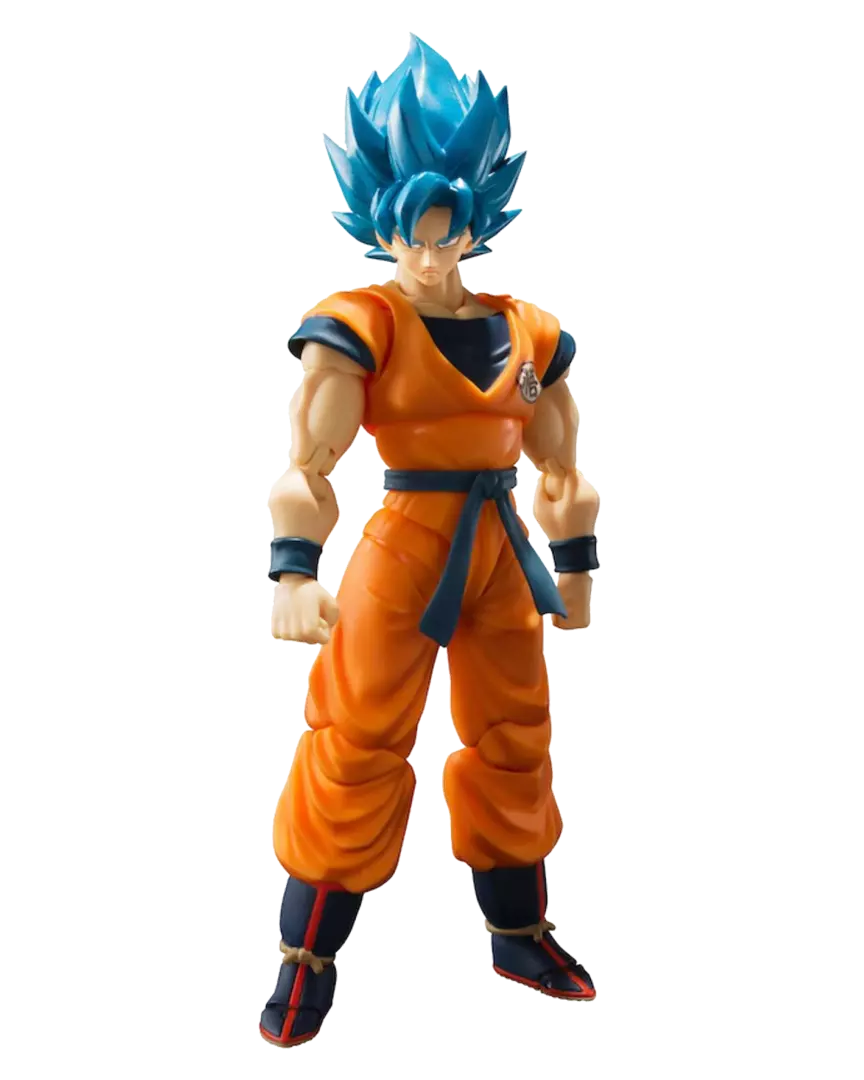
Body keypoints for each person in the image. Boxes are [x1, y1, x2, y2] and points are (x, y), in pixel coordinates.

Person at [261, 33, 601, 1049]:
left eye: (447, 224)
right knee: (358, 737)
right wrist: (292, 576)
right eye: (410, 225)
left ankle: (518, 933)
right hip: (405, 546)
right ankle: (305, 960)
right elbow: (309, 465)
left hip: (501, 547)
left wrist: (576, 571)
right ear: (379, 217)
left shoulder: (530, 335)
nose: (428, 246)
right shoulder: (359, 323)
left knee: (514, 734)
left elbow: (560, 466)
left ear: (479, 214)